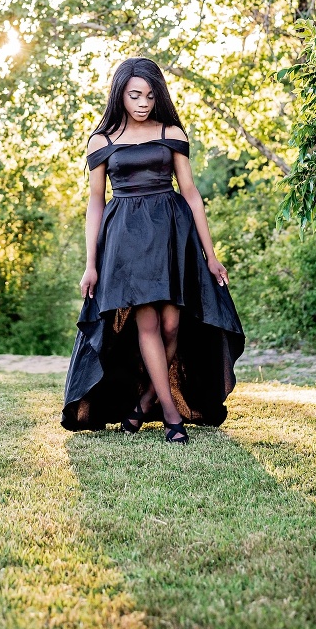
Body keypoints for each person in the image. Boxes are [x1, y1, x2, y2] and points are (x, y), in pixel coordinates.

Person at [61, 57, 245, 443]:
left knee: (171, 325)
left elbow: (192, 195)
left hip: (171, 234)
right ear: (120, 95)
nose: (143, 102)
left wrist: (211, 255)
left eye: (149, 95)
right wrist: (90, 263)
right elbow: (95, 203)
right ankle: (173, 418)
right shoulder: (102, 141)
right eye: (134, 95)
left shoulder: (171, 131)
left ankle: (144, 403)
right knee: (145, 323)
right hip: (125, 238)